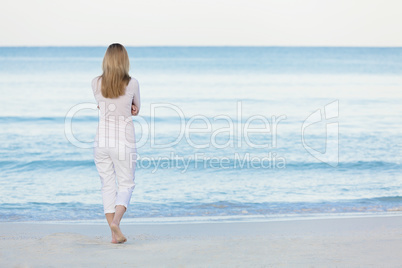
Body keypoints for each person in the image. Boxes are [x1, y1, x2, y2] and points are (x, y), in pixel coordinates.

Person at [92, 43, 140, 243]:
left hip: (101, 141)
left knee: (107, 185)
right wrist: (132, 108)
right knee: (126, 184)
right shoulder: (132, 83)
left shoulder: (95, 82)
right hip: (123, 140)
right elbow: (136, 108)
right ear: (124, 61)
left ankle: (113, 235)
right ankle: (116, 223)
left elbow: (101, 105)